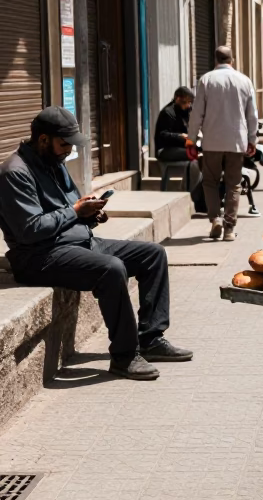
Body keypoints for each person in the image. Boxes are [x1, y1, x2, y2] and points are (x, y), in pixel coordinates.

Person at [0, 107, 192, 380]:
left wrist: (91, 214)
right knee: (111, 269)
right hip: (39, 256)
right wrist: (76, 212)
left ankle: (151, 339)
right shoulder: (14, 173)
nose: (68, 151)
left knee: (153, 254)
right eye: (64, 144)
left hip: (78, 243)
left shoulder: (56, 163)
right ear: (43, 140)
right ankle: (125, 357)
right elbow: (31, 230)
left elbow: (70, 208)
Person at [187, 45, 258, 242]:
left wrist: (191, 139)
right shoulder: (244, 81)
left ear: (215, 60)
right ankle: (229, 228)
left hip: (212, 142)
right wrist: (252, 139)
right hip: (236, 141)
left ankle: (215, 218)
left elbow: (196, 113)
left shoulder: (206, 80)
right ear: (232, 60)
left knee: (210, 181)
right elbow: (252, 114)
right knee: (234, 184)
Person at [154, 86, 202, 198]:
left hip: (183, 147)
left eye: (190, 103)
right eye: (186, 102)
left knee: (200, 157)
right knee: (195, 158)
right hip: (165, 150)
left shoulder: (187, 112)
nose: (188, 105)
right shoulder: (167, 112)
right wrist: (180, 136)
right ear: (177, 99)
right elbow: (163, 135)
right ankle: (191, 193)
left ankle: (190, 190)